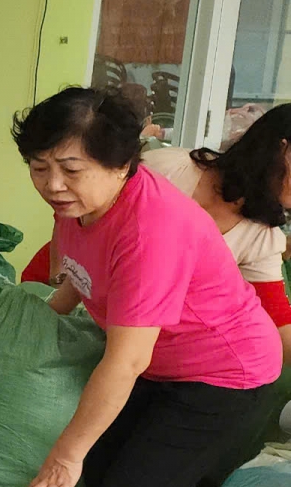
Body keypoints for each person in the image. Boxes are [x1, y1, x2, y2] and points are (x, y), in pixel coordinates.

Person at [13, 87, 282, 487]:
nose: (53, 185)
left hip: (225, 373)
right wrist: (32, 322)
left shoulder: (151, 225)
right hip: (161, 366)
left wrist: (64, 456)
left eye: (71, 168)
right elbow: (74, 277)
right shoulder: (78, 206)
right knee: (105, 482)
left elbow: (125, 359)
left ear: (121, 164)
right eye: (39, 167)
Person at [24, 105, 291, 356]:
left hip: (119, 332)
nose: (54, 183)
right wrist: (57, 283)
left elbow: (277, 322)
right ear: (283, 151)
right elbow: (71, 212)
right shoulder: (167, 168)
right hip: (57, 292)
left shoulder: (263, 238)